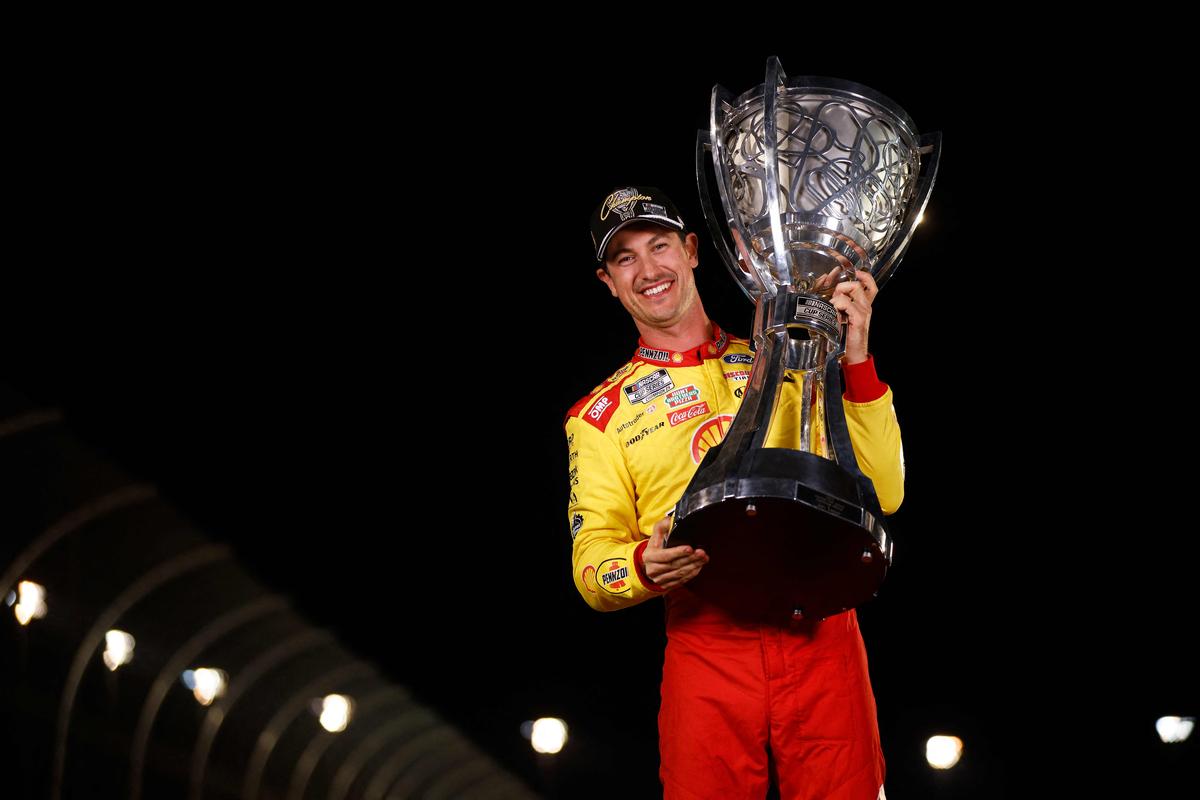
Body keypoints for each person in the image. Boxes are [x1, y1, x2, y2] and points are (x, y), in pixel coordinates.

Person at [565, 185, 904, 799]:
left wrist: (855, 356)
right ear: (608, 282)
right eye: (625, 258)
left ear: (692, 251)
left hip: (821, 630)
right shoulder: (598, 417)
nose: (648, 270)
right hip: (706, 641)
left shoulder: (790, 358)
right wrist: (644, 564)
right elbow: (592, 568)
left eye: (660, 245)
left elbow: (884, 490)